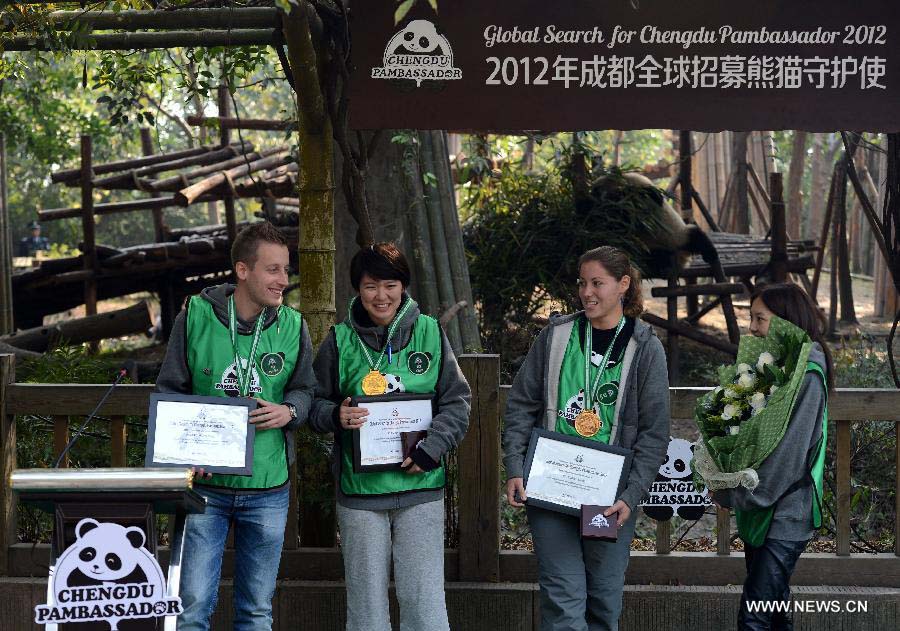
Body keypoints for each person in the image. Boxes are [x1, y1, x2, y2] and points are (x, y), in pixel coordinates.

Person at [155, 221, 316, 631]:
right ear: (243, 271)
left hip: (268, 488)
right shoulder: (195, 316)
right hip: (204, 488)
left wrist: (289, 412)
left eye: (286, 269)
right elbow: (171, 390)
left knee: (256, 611)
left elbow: (305, 390)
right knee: (190, 609)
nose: (284, 280)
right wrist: (187, 456)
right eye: (273, 269)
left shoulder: (294, 326)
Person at [502, 245, 670, 631]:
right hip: (551, 490)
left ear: (623, 285)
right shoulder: (557, 336)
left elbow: (654, 432)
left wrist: (631, 495)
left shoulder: (644, 349)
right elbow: (522, 405)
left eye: (598, 283)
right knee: (562, 598)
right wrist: (515, 466)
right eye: (582, 283)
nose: (587, 292)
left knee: (602, 598)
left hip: (606, 500)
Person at [309, 243, 471, 631]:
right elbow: (311, 403)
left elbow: (457, 402)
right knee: (366, 607)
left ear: (403, 286)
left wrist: (432, 448)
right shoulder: (339, 340)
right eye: (369, 286)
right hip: (361, 494)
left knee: (423, 601)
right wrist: (335, 415)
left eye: (390, 284)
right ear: (357, 290)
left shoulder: (430, 332)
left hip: (420, 487)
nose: (380, 296)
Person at [713, 282, 832, 631]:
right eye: (752, 318)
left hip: (786, 510)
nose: (752, 328)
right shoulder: (775, 367)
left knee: (754, 618)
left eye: (760, 319)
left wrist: (733, 493)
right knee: (774, 612)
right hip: (763, 508)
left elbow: (787, 457)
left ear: (786, 321)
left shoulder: (808, 374)